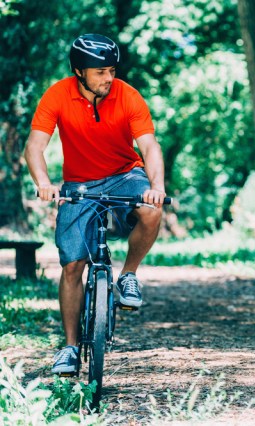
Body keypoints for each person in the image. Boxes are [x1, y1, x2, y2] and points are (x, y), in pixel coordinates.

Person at [24, 34, 166, 374]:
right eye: (100, 72)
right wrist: (43, 183)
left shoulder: (128, 96)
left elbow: (149, 146)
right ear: (79, 71)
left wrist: (156, 185)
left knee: (151, 210)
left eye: (112, 70)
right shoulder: (57, 95)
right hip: (79, 184)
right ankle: (70, 347)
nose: (108, 78)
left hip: (124, 174)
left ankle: (128, 275)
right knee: (73, 266)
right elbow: (34, 146)